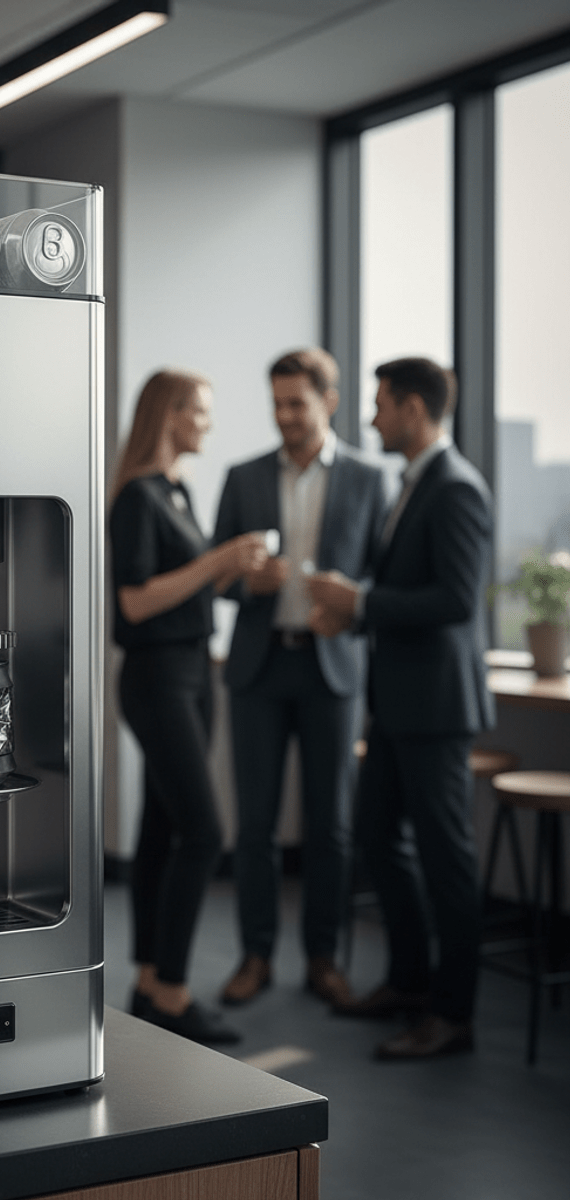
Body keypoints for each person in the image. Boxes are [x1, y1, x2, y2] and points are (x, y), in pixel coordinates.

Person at [308, 357, 493, 1059]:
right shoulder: (412, 484)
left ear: (413, 407)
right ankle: (410, 984)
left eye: (380, 404)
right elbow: (407, 593)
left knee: (447, 859)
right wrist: (351, 614)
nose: (373, 417)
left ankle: (453, 1014)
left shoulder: (455, 488)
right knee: (378, 839)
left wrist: (360, 602)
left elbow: (457, 600)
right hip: (396, 704)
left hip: (438, 708)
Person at [212, 348, 389, 1009]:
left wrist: (351, 607)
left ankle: (324, 958)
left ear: (329, 402)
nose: (285, 417)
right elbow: (219, 573)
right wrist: (244, 581)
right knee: (253, 825)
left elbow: (383, 581)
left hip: (332, 669)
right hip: (259, 665)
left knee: (331, 825)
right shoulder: (244, 475)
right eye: (277, 404)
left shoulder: (371, 480)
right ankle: (255, 956)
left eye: (297, 404)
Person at [110, 369, 269, 1045]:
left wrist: (232, 570)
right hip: (157, 678)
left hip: (192, 671)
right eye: (199, 410)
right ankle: (174, 991)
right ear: (168, 415)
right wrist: (217, 561)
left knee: (159, 829)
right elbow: (136, 602)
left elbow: (185, 590)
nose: (208, 421)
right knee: (204, 832)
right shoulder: (138, 498)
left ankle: (148, 982)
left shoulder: (177, 491)